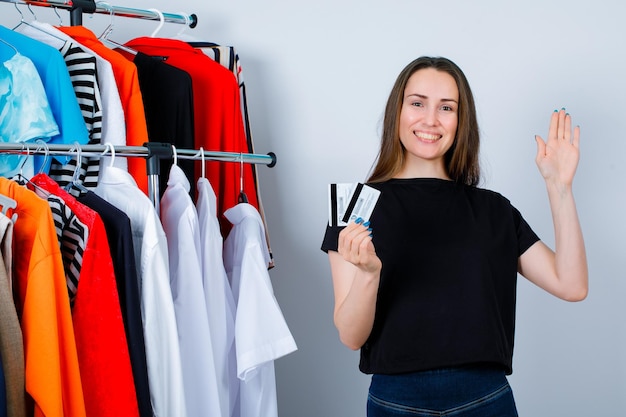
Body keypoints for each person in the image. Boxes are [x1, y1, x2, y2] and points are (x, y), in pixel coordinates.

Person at [320, 56, 588, 417]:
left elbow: (571, 285)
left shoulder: (494, 210)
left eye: (446, 107)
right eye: (417, 103)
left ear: (462, 121)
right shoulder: (356, 208)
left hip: (485, 399)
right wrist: (369, 274)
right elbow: (351, 337)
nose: (430, 120)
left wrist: (560, 187)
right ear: (396, 112)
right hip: (395, 401)